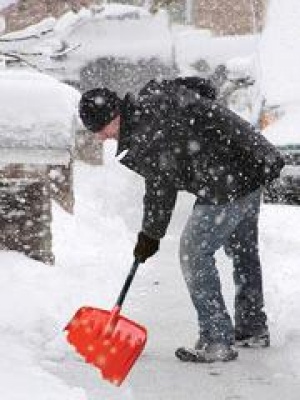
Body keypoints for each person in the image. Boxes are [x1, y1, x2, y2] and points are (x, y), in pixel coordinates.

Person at [78, 78, 285, 363]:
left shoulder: (147, 129)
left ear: (114, 116)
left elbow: (161, 187)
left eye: (100, 129)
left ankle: (216, 340)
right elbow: (200, 93)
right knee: (243, 250)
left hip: (227, 180)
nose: (101, 137)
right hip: (249, 165)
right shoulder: (151, 109)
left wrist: (150, 235)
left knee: (194, 253)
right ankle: (252, 328)